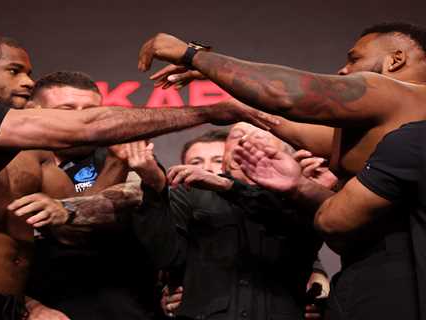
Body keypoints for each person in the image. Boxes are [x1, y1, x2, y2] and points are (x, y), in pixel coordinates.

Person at [0, 33, 275, 320]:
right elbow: (89, 127)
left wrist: (118, 166)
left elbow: (71, 214)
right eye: (14, 71)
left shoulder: (26, 151)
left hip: (7, 303)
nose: (28, 81)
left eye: (29, 73)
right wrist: (211, 111)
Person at [137, 22, 426, 320]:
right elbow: (285, 125)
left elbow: (285, 95)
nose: (343, 70)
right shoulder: (391, 123)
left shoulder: (403, 94)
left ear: (396, 59)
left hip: (397, 283)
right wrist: (223, 76)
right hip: (382, 269)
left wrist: (191, 54)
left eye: (354, 59)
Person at [130, 122, 330, 320]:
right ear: (225, 153)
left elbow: (303, 237)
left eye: (261, 136)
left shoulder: (298, 203)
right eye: (237, 135)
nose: (247, 140)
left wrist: (228, 187)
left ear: (286, 154)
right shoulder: (190, 193)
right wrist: (155, 187)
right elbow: (167, 256)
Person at [15, 71, 158, 320]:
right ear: (33, 110)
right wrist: (29, 306)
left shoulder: (124, 152)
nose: (82, 118)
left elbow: (130, 200)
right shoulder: (11, 162)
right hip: (43, 307)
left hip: (123, 307)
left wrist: (116, 163)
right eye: (68, 109)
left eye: (91, 110)